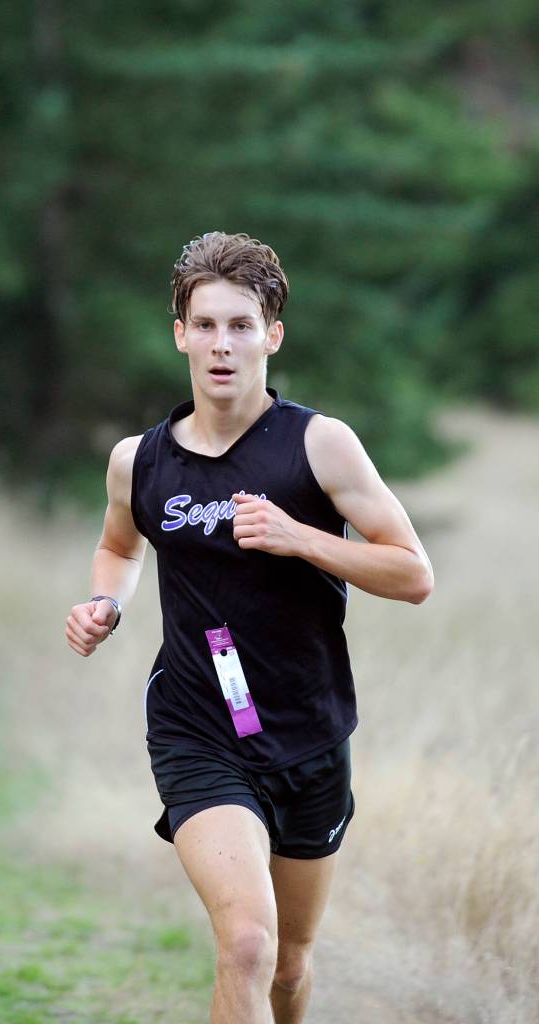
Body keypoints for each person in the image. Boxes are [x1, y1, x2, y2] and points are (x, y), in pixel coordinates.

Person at [65, 231, 433, 1024]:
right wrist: (108, 602)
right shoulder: (141, 460)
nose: (222, 345)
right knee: (246, 945)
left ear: (272, 334)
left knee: (291, 967)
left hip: (307, 730)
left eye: (241, 325)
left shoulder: (320, 445)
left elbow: (413, 573)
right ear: (180, 336)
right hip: (198, 726)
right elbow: (118, 545)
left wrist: (302, 537)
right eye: (205, 325)